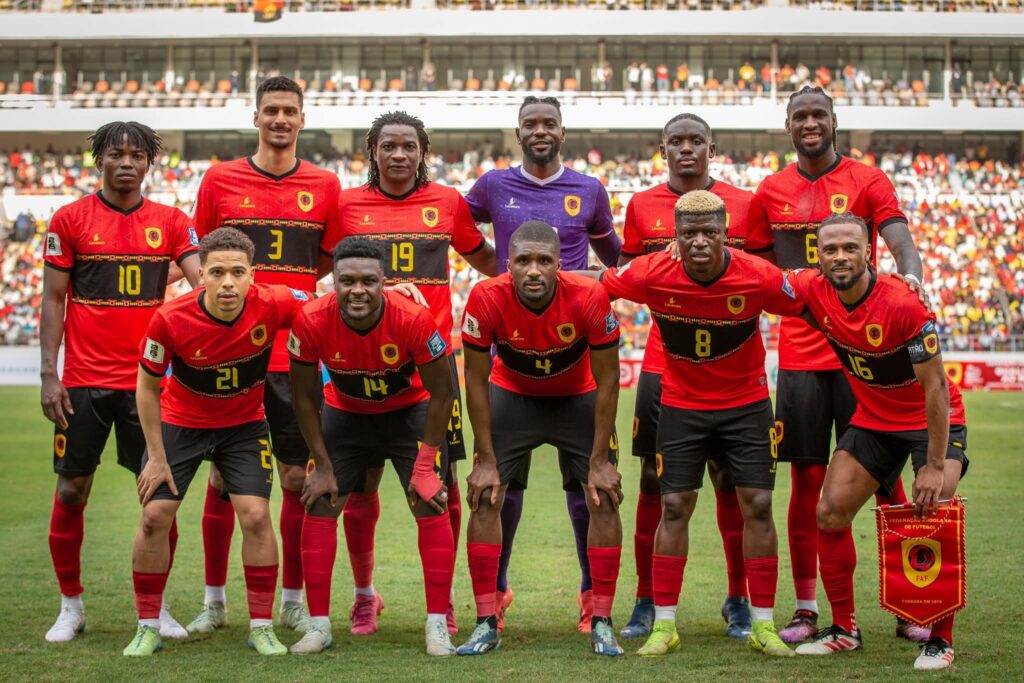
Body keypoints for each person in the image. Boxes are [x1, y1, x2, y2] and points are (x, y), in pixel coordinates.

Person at [753, 85, 928, 644]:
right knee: (807, 483)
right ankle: (808, 609)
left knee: (887, 485)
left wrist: (912, 275)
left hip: (864, 359)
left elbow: (900, 241)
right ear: (787, 125)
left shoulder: (868, 180)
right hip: (800, 359)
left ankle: (911, 603)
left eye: (819, 115)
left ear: (834, 121)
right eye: (800, 116)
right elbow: (760, 270)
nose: (810, 124)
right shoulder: (770, 190)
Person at [596, 190, 803, 659]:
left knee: (758, 505)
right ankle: (664, 625)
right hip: (681, 406)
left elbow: (811, 298)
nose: (700, 241)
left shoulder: (757, 275)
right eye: (689, 233)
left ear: (726, 233)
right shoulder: (652, 271)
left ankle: (763, 624)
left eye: (711, 232)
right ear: (675, 236)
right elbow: (598, 284)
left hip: (747, 405)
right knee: (673, 506)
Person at [189, 75, 342, 636]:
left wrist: (288, 293)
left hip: (295, 354)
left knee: (297, 477)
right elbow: (204, 257)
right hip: (231, 354)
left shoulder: (325, 184)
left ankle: (293, 601)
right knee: (220, 481)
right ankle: (214, 602)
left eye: (289, 111)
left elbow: (328, 260)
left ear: (303, 119)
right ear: (255, 116)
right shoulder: (219, 179)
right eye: (271, 110)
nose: (280, 119)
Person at [465, 95, 622, 633]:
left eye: (548, 123)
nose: (539, 131)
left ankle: (592, 598)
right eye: (530, 123)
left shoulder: (589, 189)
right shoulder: (492, 185)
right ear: (518, 132)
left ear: (562, 131)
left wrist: (588, 290)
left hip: (574, 350)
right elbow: (459, 230)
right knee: (499, 489)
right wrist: (493, 270)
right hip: (514, 351)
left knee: (589, 491)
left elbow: (616, 259)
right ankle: (494, 593)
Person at [336, 111, 496, 637]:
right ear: (373, 151)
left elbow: (487, 260)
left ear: (422, 152)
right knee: (360, 489)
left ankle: (442, 600)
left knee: (439, 486)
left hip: (430, 367)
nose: (399, 154)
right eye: (389, 146)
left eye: (409, 146)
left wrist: (557, 270)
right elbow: (322, 274)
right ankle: (365, 596)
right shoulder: (346, 205)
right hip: (360, 361)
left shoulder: (447, 202)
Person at [40, 121, 200, 643]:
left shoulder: (172, 222)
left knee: (159, 498)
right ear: (100, 160)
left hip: (149, 386)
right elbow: (53, 300)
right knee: (71, 489)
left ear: (150, 163)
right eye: (116, 154)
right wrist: (48, 374)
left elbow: (202, 283)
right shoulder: (69, 219)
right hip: (83, 382)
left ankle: (157, 608)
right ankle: (70, 606)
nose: (127, 162)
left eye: (137, 155)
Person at [787, 214, 967, 671]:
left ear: (869, 251)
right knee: (829, 512)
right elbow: (756, 277)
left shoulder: (903, 303)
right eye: (831, 249)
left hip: (930, 421)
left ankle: (940, 640)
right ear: (818, 256)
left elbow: (936, 389)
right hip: (874, 420)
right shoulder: (813, 290)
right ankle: (844, 630)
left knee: (935, 511)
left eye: (850, 247)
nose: (840, 257)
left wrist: (934, 465)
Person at [617, 113, 772, 642]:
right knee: (654, 483)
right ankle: (646, 599)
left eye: (696, 141)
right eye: (677, 142)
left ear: (712, 147)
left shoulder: (746, 203)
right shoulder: (641, 205)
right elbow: (626, 275)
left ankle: (739, 599)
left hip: (732, 371)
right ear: (662, 150)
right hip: (663, 365)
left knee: (734, 483)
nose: (687, 149)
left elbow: (766, 276)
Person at [122, 228, 310, 657]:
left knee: (257, 516)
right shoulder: (169, 318)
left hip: (243, 426)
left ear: (252, 275)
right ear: (201, 274)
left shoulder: (274, 301)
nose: (228, 283)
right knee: (154, 516)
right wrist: (156, 457)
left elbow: (328, 303)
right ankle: (147, 626)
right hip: (181, 423)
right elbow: (146, 388)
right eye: (218, 272)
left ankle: (261, 627)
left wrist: (392, 293)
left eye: (238, 273)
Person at [457, 221, 624, 657]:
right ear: (508, 264)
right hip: (513, 395)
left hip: (579, 396)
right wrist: (485, 459)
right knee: (486, 494)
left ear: (560, 264)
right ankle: (485, 620)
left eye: (544, 261)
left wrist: (600, 460)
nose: (534, 270)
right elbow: (474, 380)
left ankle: (601, 619)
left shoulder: (589, 296)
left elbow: (609, 380)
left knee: (603, 495)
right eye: (524, 261)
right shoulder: (485, 297)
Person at [288, 237, 457, 656]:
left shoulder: (414, 318)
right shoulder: (310, 320)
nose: (357, 290)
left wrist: (425, 466)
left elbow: (443, 392)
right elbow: (304, 398)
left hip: (409, 412)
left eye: (368, 281)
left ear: (384, 282)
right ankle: (319, 626)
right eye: (347, 281)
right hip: (346, 413)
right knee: (320, 501)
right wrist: (322, 465)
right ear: (334, 282)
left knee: (429, 502)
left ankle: (437, 624)